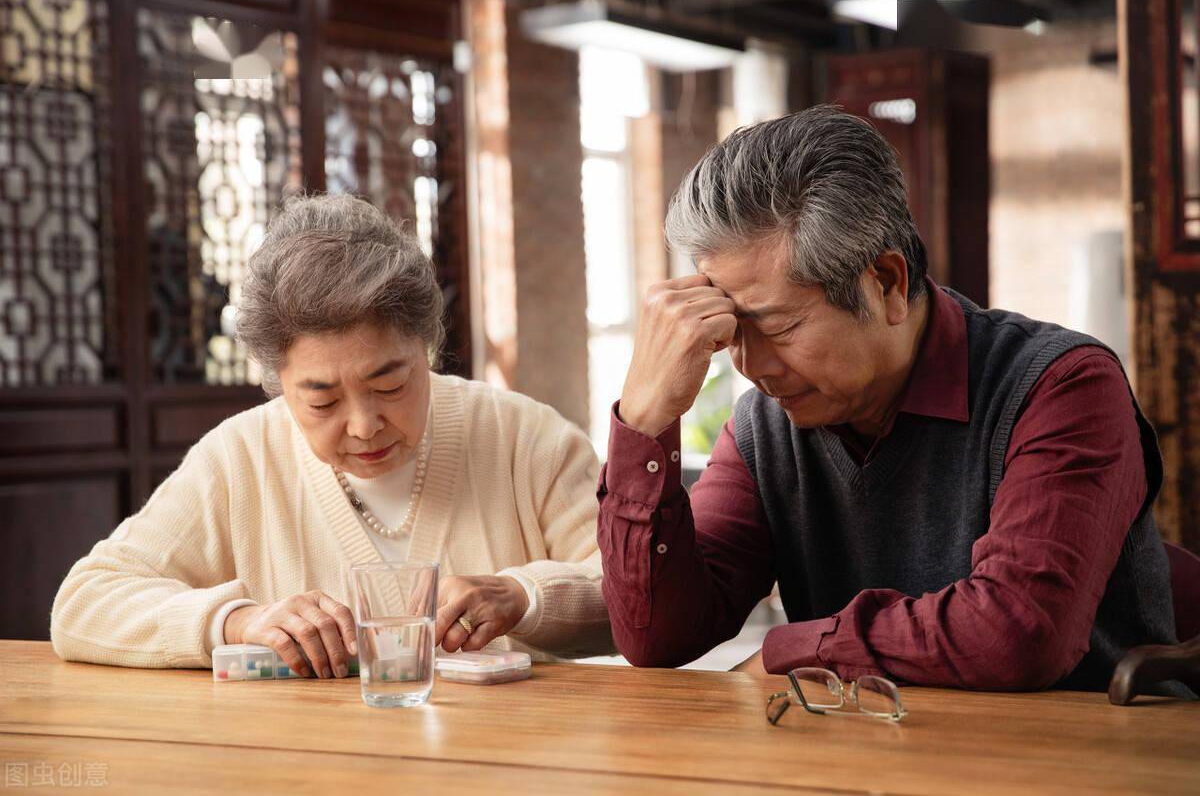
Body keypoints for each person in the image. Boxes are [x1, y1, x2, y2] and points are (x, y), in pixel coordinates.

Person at [598, 105, 1190, 695]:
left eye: (776, 327)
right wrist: (645, 420)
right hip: (869, 764)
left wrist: (794, 648)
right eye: (732, 331)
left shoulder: (1062, 387)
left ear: (886, 283)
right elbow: (660, 636)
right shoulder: (765, 426)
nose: (752, 367)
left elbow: (1017, 634)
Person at [52, 193, 612, 678]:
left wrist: (525, 597)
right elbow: (85, 603)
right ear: (277, 384)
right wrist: (240, 621)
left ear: (427, 349)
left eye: (390, 385)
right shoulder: (240, 457)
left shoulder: (526, 438)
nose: (364, 426)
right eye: (321, 400)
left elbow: (637, 595)